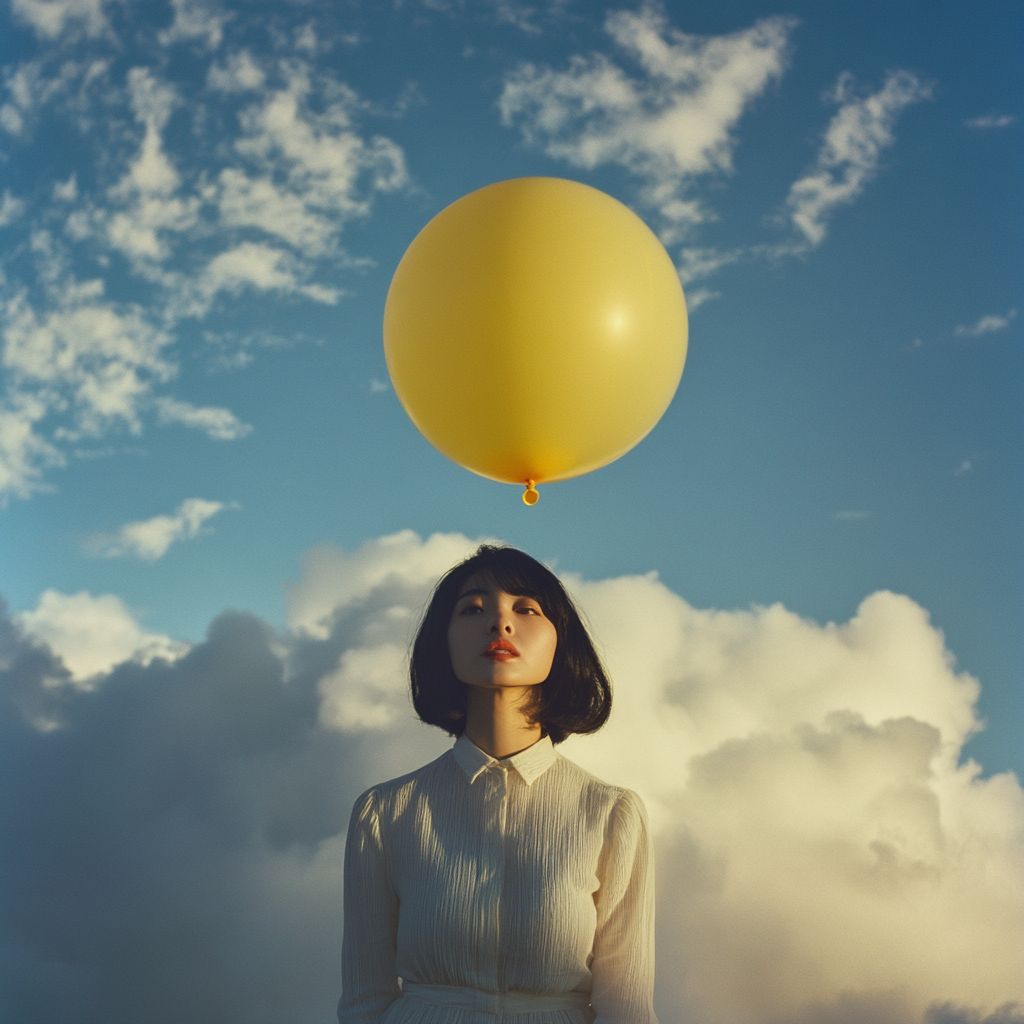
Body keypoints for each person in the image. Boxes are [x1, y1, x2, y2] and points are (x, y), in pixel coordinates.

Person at [338, 545, 658, 1024]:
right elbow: (364, 1002)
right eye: (473, 608)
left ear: (560, 641)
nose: (500, 623)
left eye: (526, 608)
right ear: (441, 642)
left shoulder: (611, 814)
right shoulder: (384, 812)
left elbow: (626, 1009)